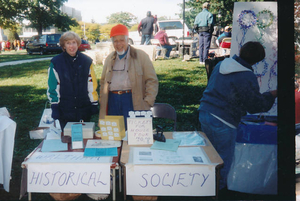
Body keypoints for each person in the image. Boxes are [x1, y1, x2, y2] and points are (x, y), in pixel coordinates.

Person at [198, 41, 277, 192]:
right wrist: (272, 94)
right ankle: (217, 191)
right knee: (223, 159)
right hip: (223, 120)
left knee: (211, 155)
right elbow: (254, 105)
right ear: (257, 60)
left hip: (206, 111)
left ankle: (206, 187)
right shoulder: (246, 75)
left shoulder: (223, 64)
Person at [99, 24, 159, 128]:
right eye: (115, 41)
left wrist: (148, 102)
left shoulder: (141, 56)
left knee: (133, 133)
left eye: (122, 40)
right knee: (114, 133)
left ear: (127, 40)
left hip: (131, 100)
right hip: (112, 100)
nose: (119, 44)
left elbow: (152, 81)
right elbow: (103, 81)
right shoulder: (110, 58)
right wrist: (102, 99)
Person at [47, 31, 99, 131]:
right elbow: (53, 86)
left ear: (78, 44)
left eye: (74, 42)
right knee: (67, 139)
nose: (72, 46)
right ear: (64, 46)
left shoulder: (87, 61)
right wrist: (54, 105)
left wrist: (94, 102)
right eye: (68, 43)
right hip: (65, 109)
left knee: (84, 137)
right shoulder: (56, 62)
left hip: (83, 108)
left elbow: (91, 84)